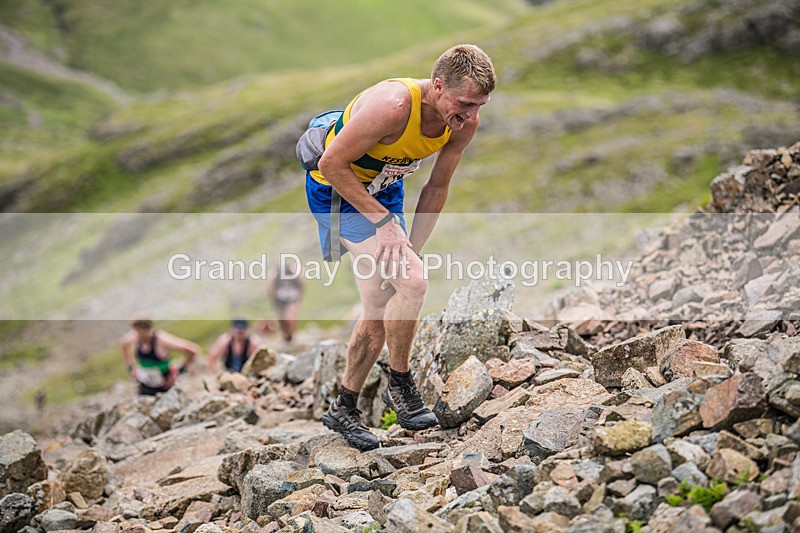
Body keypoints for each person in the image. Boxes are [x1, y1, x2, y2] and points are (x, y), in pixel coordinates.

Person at [304, 44, 495, 450]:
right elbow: (330, 166)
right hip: (338, 190)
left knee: (385, 296)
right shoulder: (392, 107)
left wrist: (412, 247)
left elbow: (437, 187)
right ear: (438, 86)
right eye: (464, 104)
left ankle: (344, 407)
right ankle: (402, 385)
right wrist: (386, 225)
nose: (471, 117)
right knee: (412, 284)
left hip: (386, 189)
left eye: (480, 106)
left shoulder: (461, 122)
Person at [120, 319, 199, 396]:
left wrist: (180, 370)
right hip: (145, 382)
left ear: (149, 330)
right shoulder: (135, 335)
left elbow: (193, 350)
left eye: (143, 336)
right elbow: (124, 343)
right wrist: (131, 367)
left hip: (165, 384)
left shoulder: (162, 340)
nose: (139, 338)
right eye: (137, 334)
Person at [266, 264, 304, 343]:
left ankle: (293, 337)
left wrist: (298, 295)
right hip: (280, 300)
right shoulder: (276, 274)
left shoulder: (293, 272)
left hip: (292, 298)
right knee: (282, 320)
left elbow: (302, 284)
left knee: (289, 318)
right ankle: (287, 337)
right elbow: (271, 287)